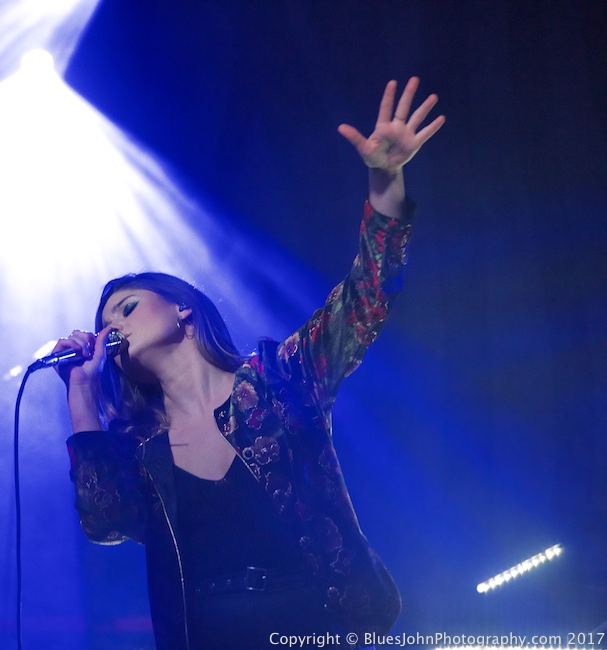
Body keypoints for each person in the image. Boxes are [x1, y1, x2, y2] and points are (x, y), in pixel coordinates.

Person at [51, 77, 445, 649]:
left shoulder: (280, 379)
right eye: (106, 320)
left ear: (183, 310)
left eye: (128, 307)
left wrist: (386, 177)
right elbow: (104, 521)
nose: (114, 326)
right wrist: (80, 392)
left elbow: (367, 295)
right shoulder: (141, 451)